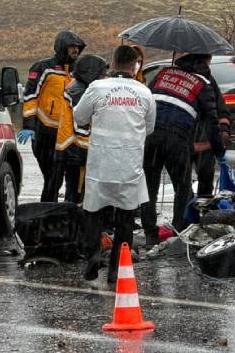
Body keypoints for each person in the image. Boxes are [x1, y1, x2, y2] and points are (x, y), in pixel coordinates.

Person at [74, 45, 156, 283]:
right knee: (125, 218)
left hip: (100, 163)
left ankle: (92, 254)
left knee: (93, 212)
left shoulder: (96, 87)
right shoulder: (144, 92)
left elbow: (79, 117)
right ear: (135, 66)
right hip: (128, 165)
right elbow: (149, 128)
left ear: (112, 62)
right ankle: (116, 268)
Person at [139, 51, 227, 237]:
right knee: (182, 186)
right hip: (177, 138)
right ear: (205, 62)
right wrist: (219, 152)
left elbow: (147, 99)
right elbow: (212, 122)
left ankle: (150, 233)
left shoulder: (163, 73)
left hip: (151, 134)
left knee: (149, 186)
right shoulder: (203, 83)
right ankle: (178, 230)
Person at [21, 30, 85, 202]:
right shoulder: (43, 67)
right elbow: (30, 96)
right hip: (45, 132)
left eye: (78, 48)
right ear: (62, 46)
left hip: (69, 134)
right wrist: (29, 125)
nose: (76, 51)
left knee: (74, 179)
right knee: (52, 179)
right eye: (72, 47)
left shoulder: (79, 71)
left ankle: (69, 218)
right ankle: (47, 215)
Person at [59, 54, 108, 205]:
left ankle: (75, 221)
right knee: (78, 193)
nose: (104, 78)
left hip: (74, 148)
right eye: (101, 74)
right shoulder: (78, 91)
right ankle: (76, 224)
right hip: (77, 149)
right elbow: (80, 124)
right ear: (90, 73)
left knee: (75, 190)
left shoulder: (79, 86)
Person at [191, 55, 231, 199]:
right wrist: (224, 129)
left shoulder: (207, 80)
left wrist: (224, 127)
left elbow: (219, 108)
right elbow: (219, 108)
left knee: (183, 182)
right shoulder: (208, 80)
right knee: (205, 178)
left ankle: (186, 213)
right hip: (204, 138)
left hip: (187, 137)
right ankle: (202, 208)